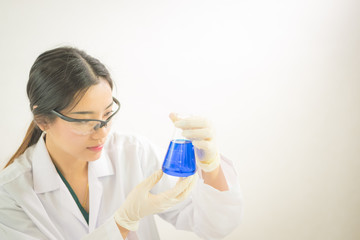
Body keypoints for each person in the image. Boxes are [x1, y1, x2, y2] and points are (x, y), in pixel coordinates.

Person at [0, 47, 242, 240]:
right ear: (43, 120)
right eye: (84, 121)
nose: (101, 133)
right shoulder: (10, 192)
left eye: (107, 115)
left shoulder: (135, 153)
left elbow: (214, 226)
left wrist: (211, 166)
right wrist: (122, 223)